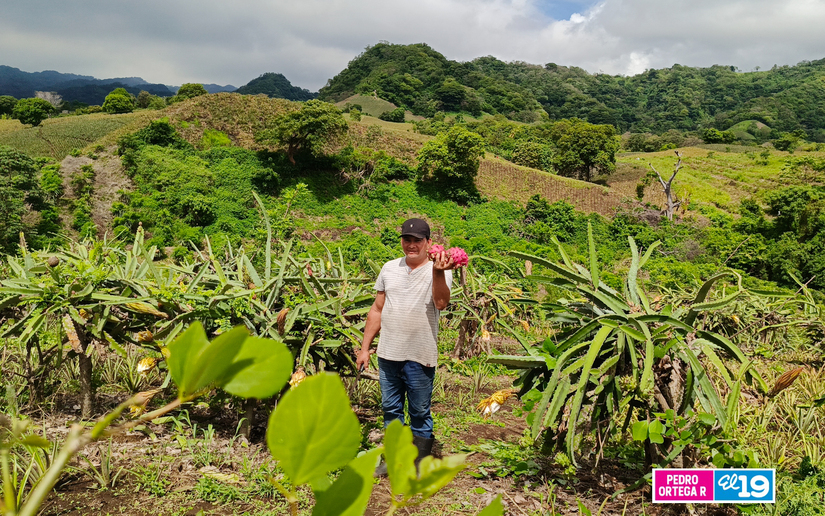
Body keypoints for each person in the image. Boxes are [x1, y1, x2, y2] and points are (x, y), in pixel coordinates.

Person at [355, 218, 455, 474]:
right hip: (389, 353)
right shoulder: (389, 268)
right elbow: (376, 310)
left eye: (417, 240)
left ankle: (420, 462)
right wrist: (365, 348)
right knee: (391, 409)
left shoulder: (441, 268)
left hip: (420, 354)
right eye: (407, 239)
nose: (411, 245)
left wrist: (438, 271)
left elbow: (441, 303)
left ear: (428, 243)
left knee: (420, 411)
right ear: (401, 240)